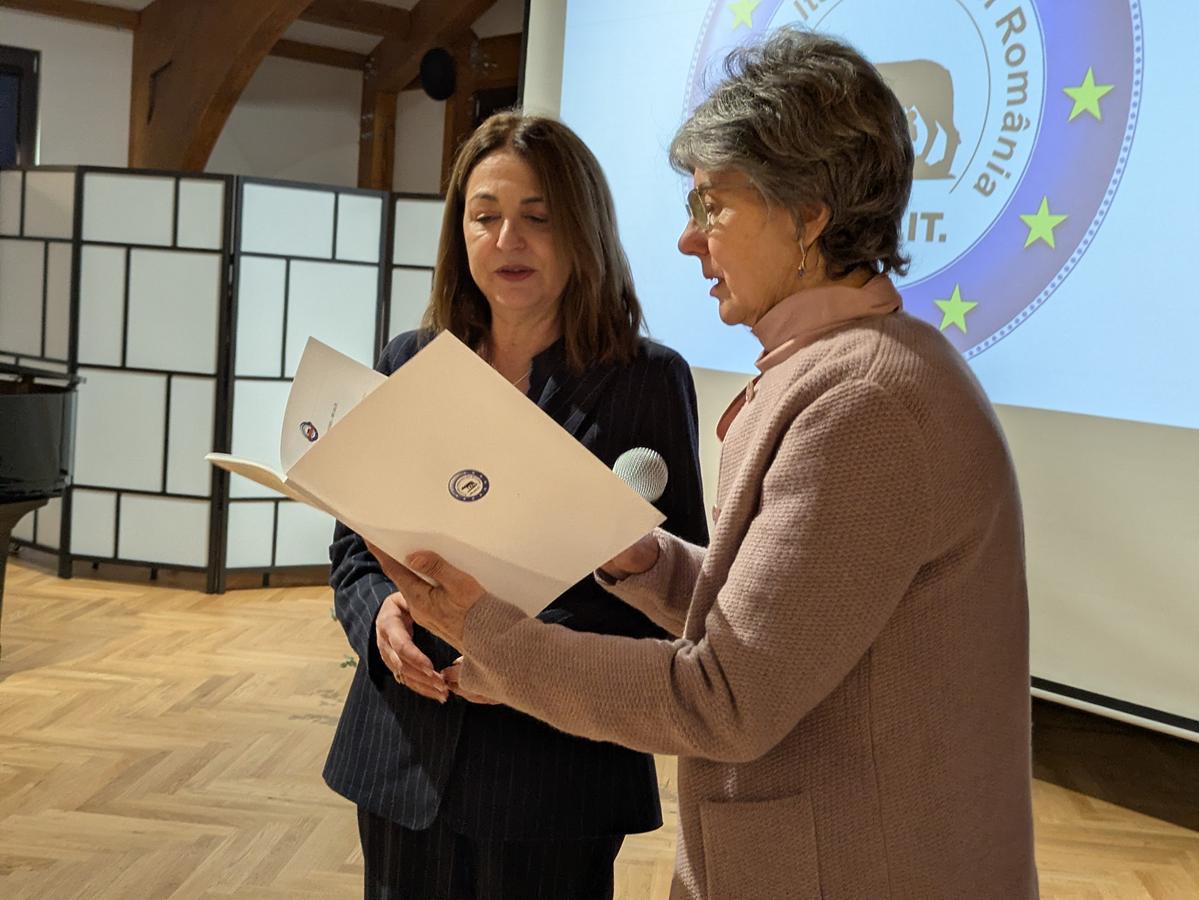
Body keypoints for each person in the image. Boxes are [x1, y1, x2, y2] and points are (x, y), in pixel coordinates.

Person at [371, 29, 1039, 899]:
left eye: (712, 205)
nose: (689, 239)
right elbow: (783, 616)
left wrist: (486, 632)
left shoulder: (862, 402)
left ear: (807, 215)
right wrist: (644, 562)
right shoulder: (850, 368)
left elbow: (722, 698)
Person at [323, 111, 709, 899]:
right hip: (402, 751)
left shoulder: (644, 380)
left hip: (552, 770)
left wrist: (513, 655)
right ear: (458, 233)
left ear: (582, 230)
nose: (508, 240)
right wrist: (380, 619)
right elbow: (354, 550)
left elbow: (668, 599)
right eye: (485, 216)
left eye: (537, 217)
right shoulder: (410, 360)